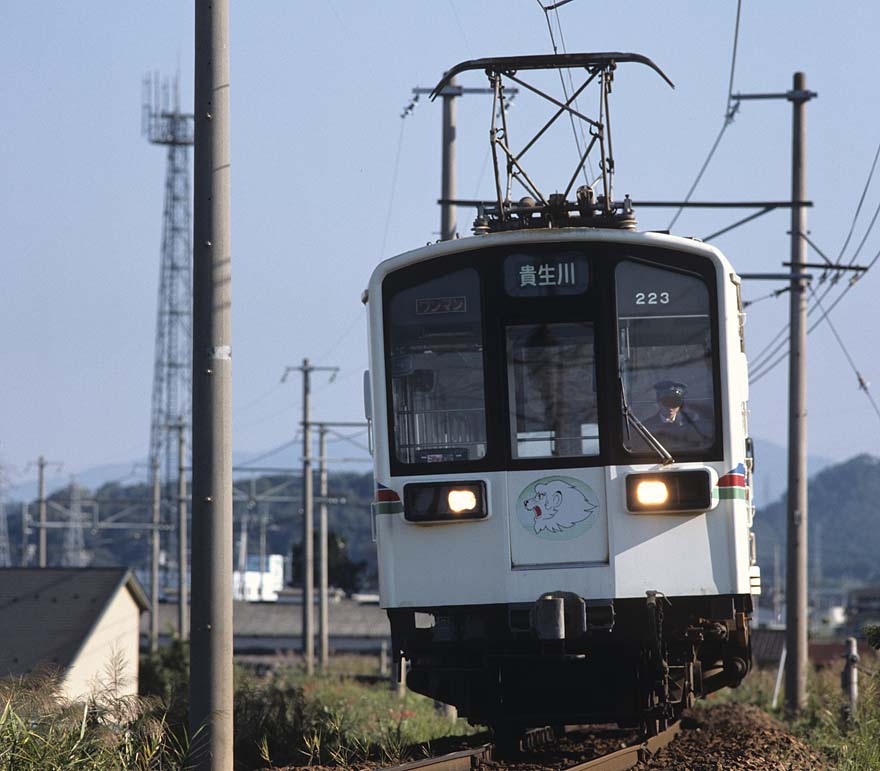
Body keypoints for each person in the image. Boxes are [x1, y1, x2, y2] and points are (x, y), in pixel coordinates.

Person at [641, 380, 710, 448]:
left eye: (675, 402)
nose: (670, 407)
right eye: (666, 402)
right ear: (659, 403)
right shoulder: (647, 427)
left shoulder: (693, 424)